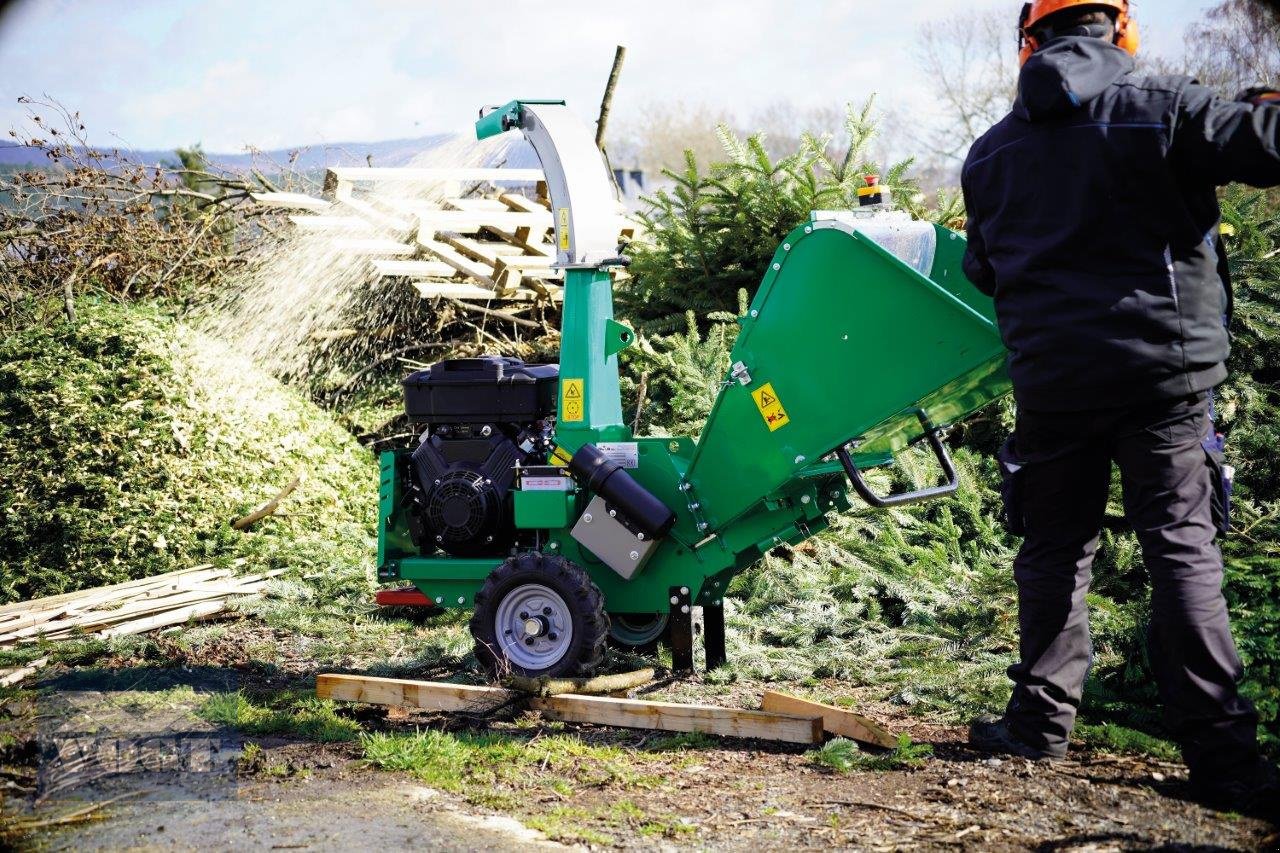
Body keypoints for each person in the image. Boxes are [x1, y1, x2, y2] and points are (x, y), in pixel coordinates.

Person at [959, 0, 1279, 817]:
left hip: (1052, 385)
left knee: (1054, 547)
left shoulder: (989, 153)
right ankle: (1224, 760)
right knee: (1180, 547)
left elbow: (984, 271)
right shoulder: (1171, 106)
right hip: (1163, 382)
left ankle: (1037, 727)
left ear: (1029, 43)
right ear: (1122, 30)